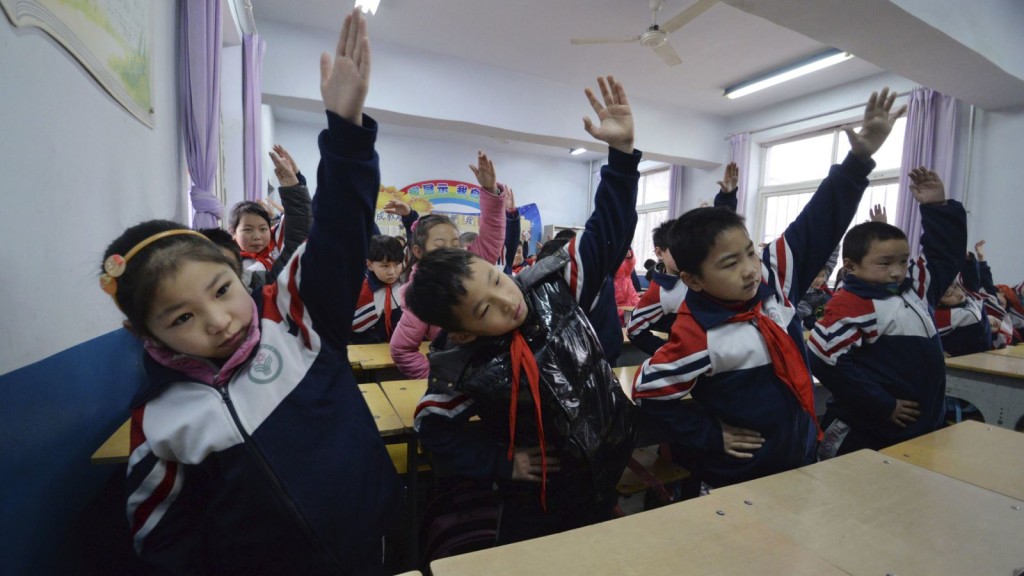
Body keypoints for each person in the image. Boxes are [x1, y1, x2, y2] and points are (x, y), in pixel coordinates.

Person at [104, 11, 401, 573]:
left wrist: (346, 130)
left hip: (372, 542)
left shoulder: (297, 324)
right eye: (182, 318)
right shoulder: (161, 424)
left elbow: (338, 235)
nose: (217, 320)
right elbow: (165, 536)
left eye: (222, 289)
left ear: (240, 271)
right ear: (143, 334)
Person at [405, 75, 639, 543]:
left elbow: (606, 233)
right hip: (541, 494)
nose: (506, 301)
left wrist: (622, 158)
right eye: (485, 309)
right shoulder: (464, 365)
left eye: (496, 280)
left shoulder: (553, 284)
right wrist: (501, 463)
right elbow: (432, 424)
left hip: (610, 459)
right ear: (465, 332)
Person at [633, 88, 907, 488]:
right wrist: (710, 433)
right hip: (739, 475)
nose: (748, 270)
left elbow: (816, 224)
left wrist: (858, 160)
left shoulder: (772, 281)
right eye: (730, 264)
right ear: (692, 280)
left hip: (797, 460)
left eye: (750, 253)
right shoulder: (698, 334)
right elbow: (649, 391)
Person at [809, 167, 967, 458]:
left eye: (903, 261)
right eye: (884, 263)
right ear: (851, 266)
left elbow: (946, 256)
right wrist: (883, 404)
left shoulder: (916, 289)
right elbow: (823, 359)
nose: (897, 271)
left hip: (915, 428)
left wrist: (937, 207)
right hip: (865, 430)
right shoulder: (852, 303)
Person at [388, 154, 507, 379]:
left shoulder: (470, 265)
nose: (451, 250)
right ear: (418, 253)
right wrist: (438, 378)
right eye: (440, 245)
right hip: (460, 375)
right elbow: (401, 349)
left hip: (494, 367)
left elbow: (492, 238)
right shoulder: (422, 296)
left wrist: (491, 191)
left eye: (455, 243)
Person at [351, 235, 406, 344]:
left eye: (397, 264)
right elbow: (354, 328)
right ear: (370, 265)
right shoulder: (363, 292)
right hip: (372, 349)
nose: (392, 271)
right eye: (385, 266)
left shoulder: (403, 283)